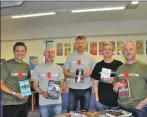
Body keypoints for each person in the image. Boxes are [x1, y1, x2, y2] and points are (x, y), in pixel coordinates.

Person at [113, 41, 147, 117]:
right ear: (123, 52)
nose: (128, 52)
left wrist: (142, 104)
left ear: (135, 51)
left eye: (131, 49)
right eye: (126, 50)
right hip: (121, 108)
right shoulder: (120, 69)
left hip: (138, 109)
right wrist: (115, 88)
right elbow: (115, 88)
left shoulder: (144, 67)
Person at [63, 36, 96, 112]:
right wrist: (71, 74)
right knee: (71, 112)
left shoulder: (91, 57)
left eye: (82, 43)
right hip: (73, 88)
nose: (80, 45)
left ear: (85, 44)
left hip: (87, 88)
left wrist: (91, 72)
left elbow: (96, 71)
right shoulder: (70, 56)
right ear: (75, 44)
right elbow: (64, 72)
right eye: (78, 43)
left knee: (84, 112)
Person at [1, 42, 31, 117]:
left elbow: (26, 81)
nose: (20, 53)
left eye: (22, 51)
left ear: (25, 52)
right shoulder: (6, 65)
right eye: (17, 50)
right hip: (10, 103)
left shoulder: (26, 66)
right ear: (14, 51)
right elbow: (1, 84)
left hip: (23, 102)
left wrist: (27, 92)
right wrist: (15, 93)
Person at [32, 46, 64, 117]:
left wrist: (61, 89)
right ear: (44, 53)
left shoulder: (59, 68)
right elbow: (35, 86)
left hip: (57, 102)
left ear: (54, 54)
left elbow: (62, 84)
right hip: (44, 103)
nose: (50, 54)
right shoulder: (38, 68)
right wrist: (42, 92)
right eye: (48, 52)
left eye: (52, 52)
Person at [91, 42, 123, 111]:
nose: (107, 51)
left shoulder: (119, 64)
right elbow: (95, 84)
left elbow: (123, 82)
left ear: (112, 51)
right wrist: (97, 99)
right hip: (101, 103)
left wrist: (113, 80)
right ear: (102, 51)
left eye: (109, 49)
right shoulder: (98, 65)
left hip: (116, 103)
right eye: (105, 49)